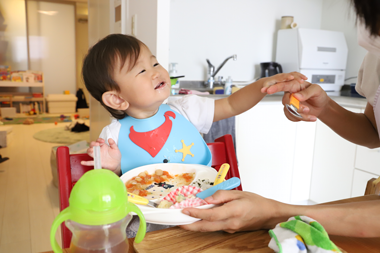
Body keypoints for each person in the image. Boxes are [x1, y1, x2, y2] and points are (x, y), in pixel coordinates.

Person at [180, 0, 380, 238]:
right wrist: (325, 108)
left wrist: (274, 212)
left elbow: (231, 103)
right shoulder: (374, 53)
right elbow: (372, 132)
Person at [80, 34, 306, 175]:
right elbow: (111, 186)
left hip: (200, 202)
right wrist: (113, 167)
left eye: (155, 62)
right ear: (117, 99)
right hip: (149, 218)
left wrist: (263, 85)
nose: (156, 71)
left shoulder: (185, 110)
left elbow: (231, 105)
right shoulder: (112, 136)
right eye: (142, 70)